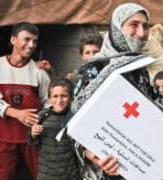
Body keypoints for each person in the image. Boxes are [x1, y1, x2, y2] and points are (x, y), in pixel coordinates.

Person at [64, 3, 157, 180]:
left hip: (139, 164)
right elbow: (74, 123)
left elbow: (151, 106)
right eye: (134, 25)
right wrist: (92, 154)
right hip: (106, 169)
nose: (141, 32)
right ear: (117, 28)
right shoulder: (94, 70)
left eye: (146, 26)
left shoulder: (141, 69)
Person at [0, 22, 50, 180]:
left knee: (42, 176)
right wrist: (17, 113)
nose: (31, 45)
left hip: (33, 136)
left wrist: (40, 121)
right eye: (26, 39)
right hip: (4, 135)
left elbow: (48, 102)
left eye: (34, 41)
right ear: (13, 40)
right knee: (5, 177)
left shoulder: (38, 71)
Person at [27, 77, 80, 180]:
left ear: (71, 98)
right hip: (46, 173)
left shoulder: (75, 117)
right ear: (49, 99)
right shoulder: (42, 116)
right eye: (55, 96)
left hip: (69, 173)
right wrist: (33, 133)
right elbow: (31, 142)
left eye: (64, 96)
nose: (59, 100)